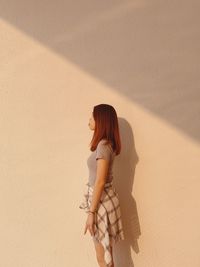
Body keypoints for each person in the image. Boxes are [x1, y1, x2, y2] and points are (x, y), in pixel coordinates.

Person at [79, 104, 125, 267]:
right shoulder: (104, 145)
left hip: (101, 205)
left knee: (103, 260)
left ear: (101, 121)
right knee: (106, 258)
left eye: (92, 117)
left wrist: (92, 212)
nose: (89, 120)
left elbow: (100, 181)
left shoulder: (103, 146)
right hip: (102, 201)